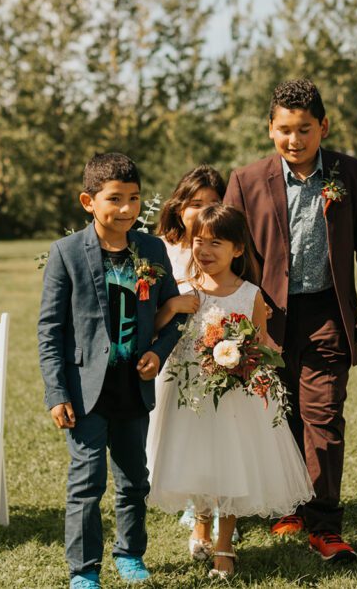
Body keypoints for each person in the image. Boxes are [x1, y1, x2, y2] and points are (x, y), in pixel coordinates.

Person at [223, 78, 357, 562]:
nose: (294, 141)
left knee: (322, 418)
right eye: (284, 130)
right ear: (270, 128)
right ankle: (286, 506)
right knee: (277, 415)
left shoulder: (350, 174)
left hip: (326, 313)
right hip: (266, 316)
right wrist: (232, 318)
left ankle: (324, 525)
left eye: (304, 130)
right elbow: (232, 256)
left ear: (323, 126)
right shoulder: (247, 180)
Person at [38, 153, 187, 589]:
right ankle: (83, 570)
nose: (126, 209)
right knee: (86, 483)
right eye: (115, 199)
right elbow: (50, 329)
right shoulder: (66, 254)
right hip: (86, 391)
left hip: (133, 386)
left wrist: (158, 353)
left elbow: (174, 312)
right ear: (89, 200)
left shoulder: (151, 249)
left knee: (133, 481)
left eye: (134, 198)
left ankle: (130, 554)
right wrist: (56, 392)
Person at [147, 204, 313, 579]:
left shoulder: (250, 294)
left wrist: (260, 356)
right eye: (198, 242)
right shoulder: (185, 291)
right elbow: (157, 331)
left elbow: (260, 342)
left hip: (236, 395)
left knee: (233, 463)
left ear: (238, 249)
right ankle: (201, 523)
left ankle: (225, 542)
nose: (203, 251)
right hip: (189, 394)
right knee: (199, 460)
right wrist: (172, 306)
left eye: (215, 243)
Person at [149, 165, 229, 543]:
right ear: (179, 207)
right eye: (195, 204)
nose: (202, 211)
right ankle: (193, 503)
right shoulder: (162, 249)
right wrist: (174, 306)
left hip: (215, 352)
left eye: (213, 204)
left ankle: (214, 509)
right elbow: (149, 312)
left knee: (215, 433)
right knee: (179, 432)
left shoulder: (222, 246)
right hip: (173, 354)